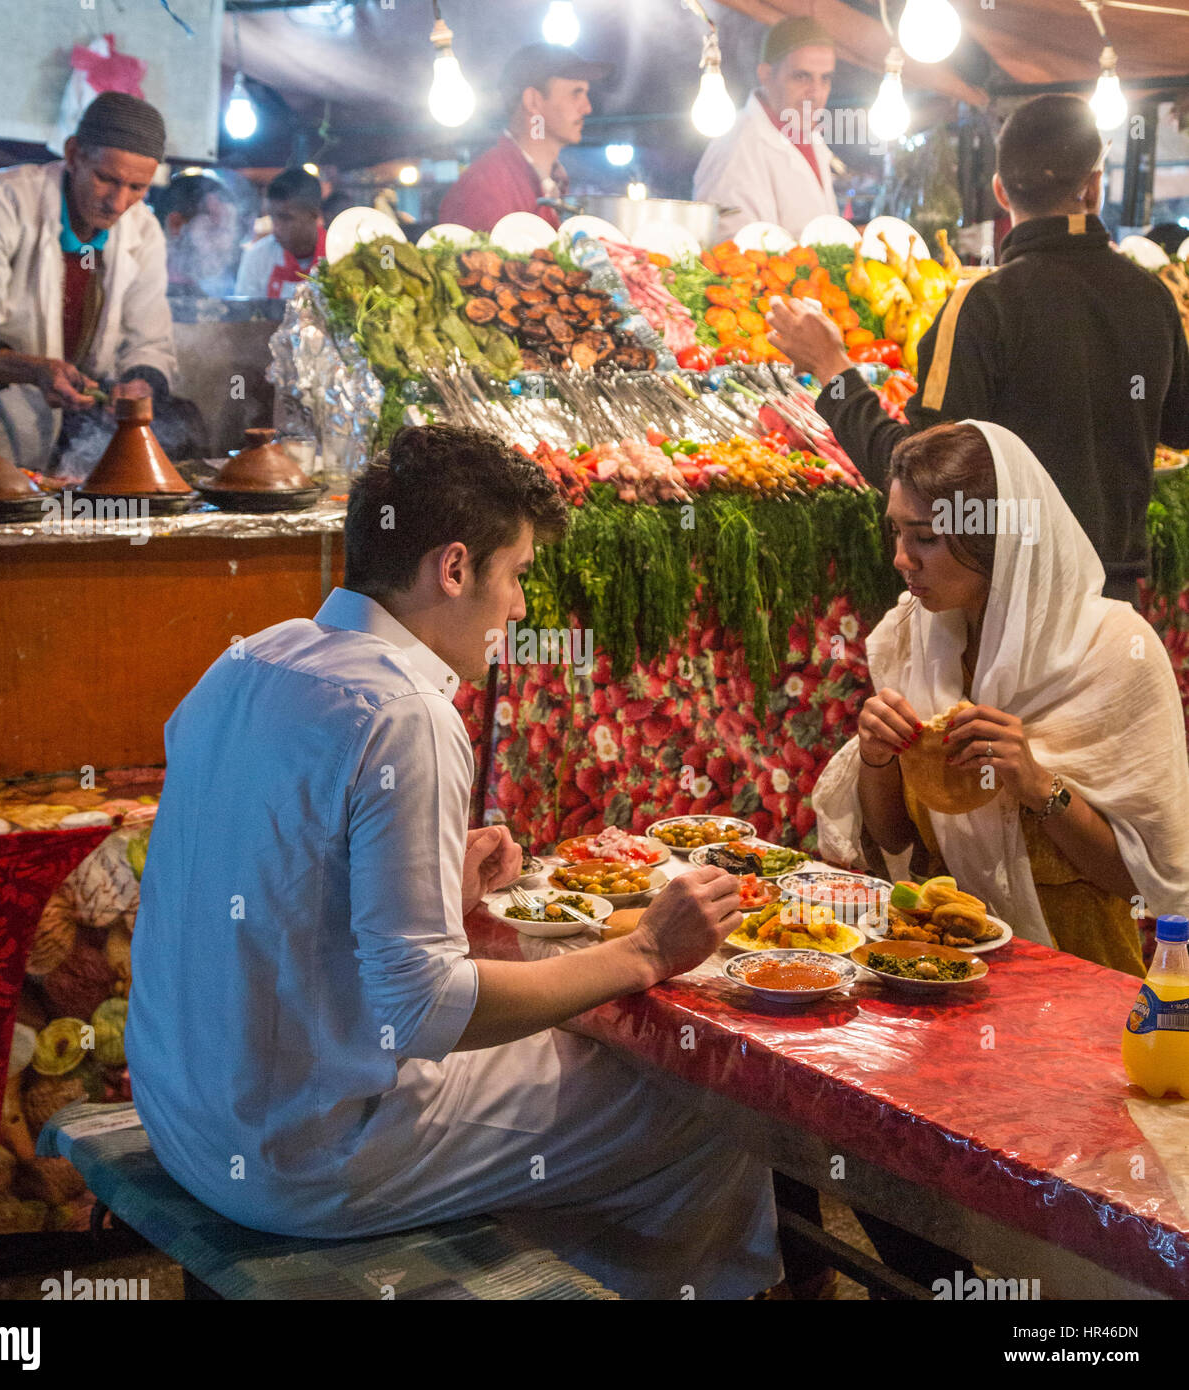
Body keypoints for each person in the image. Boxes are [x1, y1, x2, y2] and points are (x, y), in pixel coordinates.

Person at [127, 424, 781, 1300]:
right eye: (515, 578)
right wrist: (645, 953)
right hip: (304, 1156)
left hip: (185, 1115)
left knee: (584, 1063)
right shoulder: (406, 711)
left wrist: (435, 880)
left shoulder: (248, 661)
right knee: (712, 1105)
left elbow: (264, 885)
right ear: (455, 568)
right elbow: (423, 1008)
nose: (518, 611)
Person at [767, 94, 1189, 604]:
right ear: (1095, 189)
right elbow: (1178, 428)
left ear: (999, 191)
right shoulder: (1151, 297)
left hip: (1015, 613)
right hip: (1117, 608)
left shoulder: (981, 307)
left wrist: (834, 370)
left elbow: (917, 476)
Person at [814, 419, 1189, 976]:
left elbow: (1148, 882)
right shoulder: (909, 636)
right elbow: (898, 844)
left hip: (1077, 978)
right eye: (896, 532)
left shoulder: (1112, 650)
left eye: (925, 538)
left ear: (993, 541)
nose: (901, 558)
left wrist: (1037, 785)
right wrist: (876, 756)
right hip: (941, 966)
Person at [0, 92, 175, 470]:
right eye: (107, 179)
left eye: (138, 188)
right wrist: (36, 370)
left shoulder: (145, 230)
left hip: (44, 441)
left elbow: (150, 341)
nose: (118, 204)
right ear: (73, 154)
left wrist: (140, 384)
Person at [692, 16, 838, 243]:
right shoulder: (735, 145)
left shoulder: (811, 138)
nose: (816, 93)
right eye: (802, 76)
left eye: (825, 78)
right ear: (766, 75)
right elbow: (730, 250)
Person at [438, 43, 611, 233]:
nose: (587, 108)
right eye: (576, 93)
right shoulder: (484, 187)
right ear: (533, 101)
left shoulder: (553, 182)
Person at [234, 167, 327, 299]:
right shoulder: (257, 257)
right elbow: (244, 315)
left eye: (286, 218)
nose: (276, 228)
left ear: (313, 214)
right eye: (272, 217)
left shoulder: (339, 257)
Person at [161, 171, 241, 298]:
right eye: (214, 229)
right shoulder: (142, 289)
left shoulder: (208, 295)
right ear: (176, 225)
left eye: (228, 231)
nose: (225, 245)